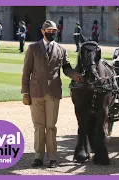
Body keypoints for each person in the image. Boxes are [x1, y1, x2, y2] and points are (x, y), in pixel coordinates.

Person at [21, 20, 84, 168]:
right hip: (36, 92)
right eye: (49, 31)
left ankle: (52, 158)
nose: (52, 33)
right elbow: (26, 72)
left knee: (51, 126)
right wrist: (25, 92)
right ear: (43, 31)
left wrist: (77, 76)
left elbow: (67, 68)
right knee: (38, 125)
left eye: (54, 31)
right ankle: (38, 156)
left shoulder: (61, 49)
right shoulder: (33, 48)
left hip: (54, 92)